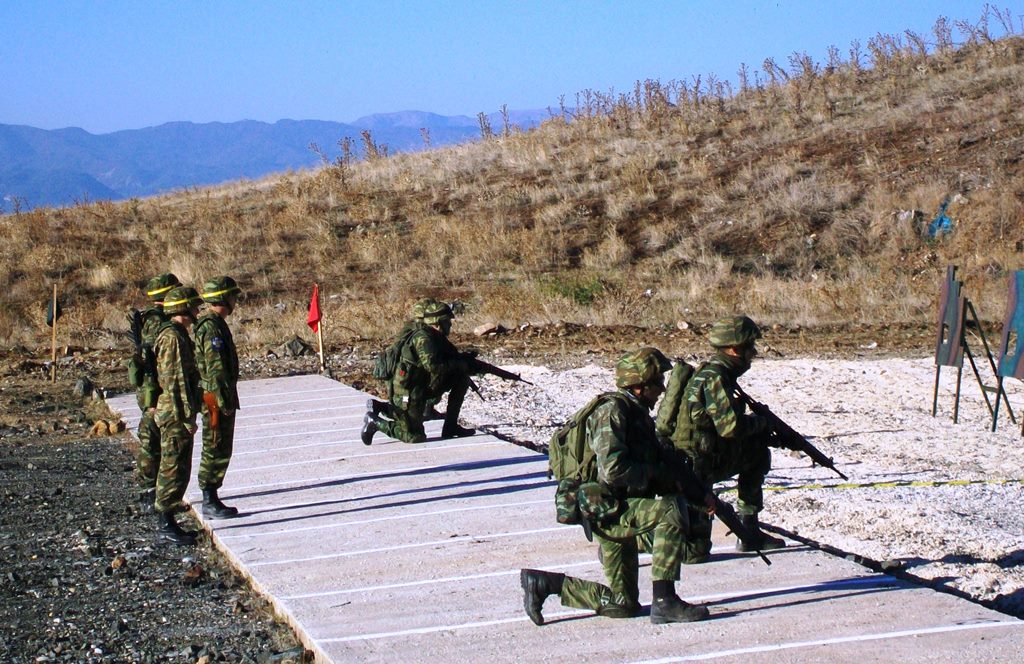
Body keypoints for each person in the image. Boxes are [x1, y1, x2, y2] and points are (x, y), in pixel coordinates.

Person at [520, 348, 716, 626]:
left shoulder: (635, 414)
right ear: (638, 386)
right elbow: (613, 470)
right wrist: (656, 476)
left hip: (614, 507)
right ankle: (665, 601)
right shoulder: (612, 412)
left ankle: (546, 584)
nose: (662, 389)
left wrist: (691, 490)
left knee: (622, 605)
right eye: (657, 383)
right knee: (670, 510)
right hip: (607, 508)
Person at [661, 315, 786, 562]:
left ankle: (749, 530)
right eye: (749, 347)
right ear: (734, 349)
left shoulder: (713, 374)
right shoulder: (715, 378)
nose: (753, 353)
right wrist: (763, 423)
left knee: (756, 451)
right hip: (694, 469)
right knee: (693, 553)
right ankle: (631, 540)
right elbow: (731, 428)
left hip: (699, 460)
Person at [362, 298, 476, 445]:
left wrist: (465, 364)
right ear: (437, 323)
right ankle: (375, 422)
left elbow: (448, 358)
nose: (450, 325)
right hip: (406, 390)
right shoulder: (423, 338)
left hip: (419, 385)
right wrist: (460, 365)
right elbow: (433, 367)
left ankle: (450, 426)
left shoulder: (432, 335)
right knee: (414, 436)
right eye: (447, 322)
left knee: (461, 379)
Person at [152, 285, 204, 545]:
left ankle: (169, 517)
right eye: (194, 306)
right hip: (174, 413)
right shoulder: (173, 338)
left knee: (179, 466)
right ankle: (164, 520)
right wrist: (186, 416)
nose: (197, 311)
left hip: (176, 410)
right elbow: (176, 381)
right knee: (173, 468)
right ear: (183, 309)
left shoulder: (178, 334)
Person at [193, 276, 242, 518]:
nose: (235, 301)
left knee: (220, 446)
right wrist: (223, 401)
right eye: (233, 296)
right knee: (215, 446)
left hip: (220, 395)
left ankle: (212, 495)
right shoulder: (212, 328)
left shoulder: (216, 324)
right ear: (223, 298)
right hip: (216, 397)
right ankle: (209, 498)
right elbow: (216, 369)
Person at [133, 272, 181, 511]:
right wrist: (152, 398)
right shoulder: (155, 321)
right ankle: (149, 492)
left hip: (156, 387)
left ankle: (159, 493)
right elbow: (151, 360)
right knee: (151, 441)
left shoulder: (160, 318)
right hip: (153, 389)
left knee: (159, 441)